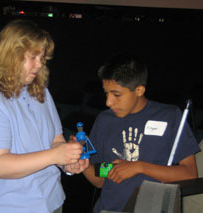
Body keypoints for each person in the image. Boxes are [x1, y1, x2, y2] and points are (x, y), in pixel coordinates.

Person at [0, 19, 89, 213]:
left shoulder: (41, 93)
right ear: (11, 55)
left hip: (50, 202)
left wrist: (68, 162)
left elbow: (56, 141)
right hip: (4, 206)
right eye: (33, 57)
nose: (39, 64)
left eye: (42, 58)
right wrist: (55, 155)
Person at [82, 54, 201, 212]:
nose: (108, 102)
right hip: (110, 209)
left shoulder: (169, 116)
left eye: (116, 95)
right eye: (106, 93)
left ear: (139, 90)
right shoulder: (104, 120)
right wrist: (82, 163)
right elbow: (100, 180)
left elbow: (189, 173)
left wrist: (139, 167)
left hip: (154, 207)